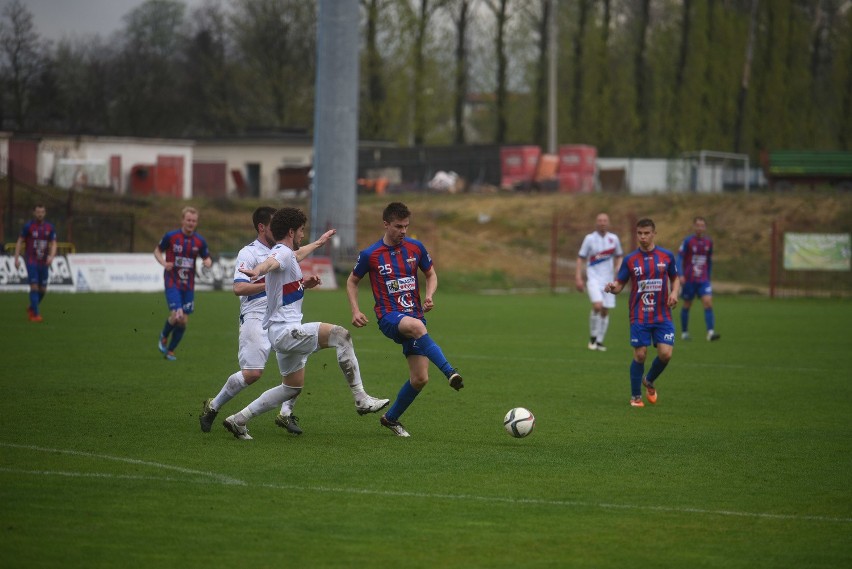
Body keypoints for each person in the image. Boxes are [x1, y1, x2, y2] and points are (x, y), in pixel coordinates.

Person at [222, 207, 389, 440]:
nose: (303, 235)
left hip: (280, 332)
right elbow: (271, 262)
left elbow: (285, 270)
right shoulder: (282, 251)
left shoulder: (287, 254)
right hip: (286, 331)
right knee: (342, 335)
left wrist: (309, 267)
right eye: (301, 231)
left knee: (292, 387)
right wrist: (257, 270)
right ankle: (361, 398)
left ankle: (238, 419)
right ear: (291, 232)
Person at [347, 201, 464, 438]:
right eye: (398, 226)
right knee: (417, 326)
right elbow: (352, 282)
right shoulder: (371, 254)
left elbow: (431, 275)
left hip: (414, 317)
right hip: (389, 317)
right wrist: (355, 310)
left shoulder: (415, 248)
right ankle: (450, 372)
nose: (403, 231)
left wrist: (429, 295)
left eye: (406, 226)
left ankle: (390, 418)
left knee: (420, 379)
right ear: (386, 224)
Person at [199, 207, 303, 435]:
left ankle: (285, 414)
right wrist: (269, 285)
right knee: (253, 373)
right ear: (262, 227)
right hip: (256, 314)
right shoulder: (248, 253)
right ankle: (213, 405)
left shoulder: (283, 250)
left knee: (298, 363)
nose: (279, 228)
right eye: (273, 224)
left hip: (281, 314)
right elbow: (239, 288)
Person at [605, 218, 680, 407]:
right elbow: (619, 285)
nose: (643, 237)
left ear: (654, 233)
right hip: (639, 314)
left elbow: (675, 278)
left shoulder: (666, 256)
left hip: (663, 314)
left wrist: (674, 292)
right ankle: (636, 396)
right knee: (640, 355)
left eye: (646, 233)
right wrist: (612, 286)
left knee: (666, 354)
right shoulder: (630, 259)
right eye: (639, 233)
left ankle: (649, 379)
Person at [154, 206, 213, 361]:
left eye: (193, 221)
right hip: (172, 282)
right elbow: (157, 251)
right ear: (182, 220)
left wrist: (207, 261)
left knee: (184, 320)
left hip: (188, 286)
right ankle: (164, 335)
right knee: (177, 314)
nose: (191, 223)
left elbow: (207, 256)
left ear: (196, 222)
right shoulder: (171, 237)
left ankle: (170, 351)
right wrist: (163, 263)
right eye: (188, 220)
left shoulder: (199, 241)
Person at [575, 212, 624, 351]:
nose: (602, 222)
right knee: (597, 306)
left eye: (605, 220)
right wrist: (578, 277)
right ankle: (593, 338)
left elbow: (619, 255)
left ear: (608, 223)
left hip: (609, 280)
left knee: (605, 311)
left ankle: (599, 342)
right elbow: (581, 258)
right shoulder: (589, 239)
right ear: (596, 222)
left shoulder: (614, 239)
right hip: (593, 278)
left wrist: (618, 266)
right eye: (600, 220)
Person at [677, 216, 720, 341]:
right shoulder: (688, 241)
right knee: (687, 304)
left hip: (703, 280)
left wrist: (708, 275)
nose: (700, 228)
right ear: (694, 227)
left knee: (708, 302)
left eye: (702, 225)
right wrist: (680, 274)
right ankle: (684, 332)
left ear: (705, 227)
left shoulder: (709, 242)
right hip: (689, 279)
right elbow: (679, 258)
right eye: (698, 225)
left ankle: (710, 332)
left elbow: (709, 260)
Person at [13, 204, 57, 323]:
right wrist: (16, 259)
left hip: (44, 262)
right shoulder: (28, 226)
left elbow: (53, 243)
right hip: (31, 260)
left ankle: (32, 306)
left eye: (42, 212)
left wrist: (51, 257)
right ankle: (35, 315)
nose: (40, 214)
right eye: (38, 212)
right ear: (34, 213)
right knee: (34, 286)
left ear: (45, 213)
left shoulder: (49, 227)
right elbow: (20, 241)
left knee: (42, 290)